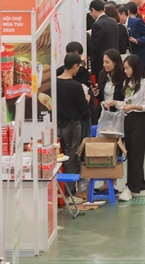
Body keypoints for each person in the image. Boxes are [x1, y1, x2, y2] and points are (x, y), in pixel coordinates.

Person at [101, 55, 145, 202]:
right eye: (124, 68)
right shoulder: (127, 83)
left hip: (139, 120)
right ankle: (141, 186)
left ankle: (130, 187)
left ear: (135, 68)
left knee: (137, 154)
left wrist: (133, 107)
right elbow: (126, 102)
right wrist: (115, 102)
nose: (125, 71)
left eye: (127, 68)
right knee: (130, 153)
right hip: (127, 119)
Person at [56, 52, 89, 191]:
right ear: (75, 66)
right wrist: (87, 99)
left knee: (58, 157)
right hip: (72, 126)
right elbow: (83, 108)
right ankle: (70, 191)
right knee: (71, 157)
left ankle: (59, 191)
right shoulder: (76, 86)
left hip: (57, 124)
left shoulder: (54, 82)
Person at [89, 0, 120, 76]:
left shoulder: (97, 24)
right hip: (114, 59)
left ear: (93, 10)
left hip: (102, 62)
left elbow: (94, 47)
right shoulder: (113, 21)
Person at [95, 49, 126, 122]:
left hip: (119, 113)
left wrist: (114, 103)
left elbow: (126, 99)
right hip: (104, 112)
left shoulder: (124, 77)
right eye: (103, 62)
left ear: (115, 63)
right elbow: (101, 97)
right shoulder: (102, 74)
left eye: (107, 62)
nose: (104, 65)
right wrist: (96, 92)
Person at [123, 3, 145, 67]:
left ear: (123, 14)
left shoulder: (137, 21)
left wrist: (138, 40)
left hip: (139, 55)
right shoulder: (120, 25)